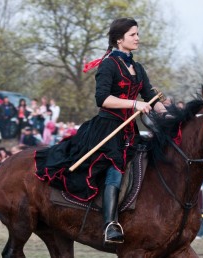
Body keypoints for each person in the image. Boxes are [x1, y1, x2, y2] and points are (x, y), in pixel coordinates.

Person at [35, 18, 168, 244]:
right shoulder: (108, 65)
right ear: (119, 39)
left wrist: (170, 115)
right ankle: (109, 224)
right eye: (133, 34)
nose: (138, 38)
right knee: (115, 168)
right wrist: (134, 104)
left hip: (129, 131)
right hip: (107, 129)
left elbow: (151, 98)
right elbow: (103, 99)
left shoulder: (138, 67)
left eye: (137, 34)